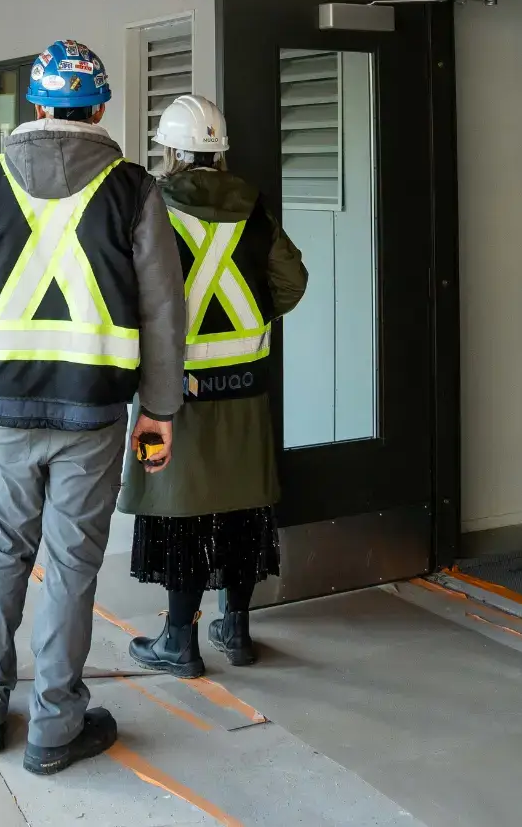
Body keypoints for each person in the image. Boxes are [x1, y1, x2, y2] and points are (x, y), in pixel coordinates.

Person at [0, 39, 186, 775]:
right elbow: (162, 309)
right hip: (93, 415)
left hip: (9, 409)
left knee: (2, 555)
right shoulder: (134, 188)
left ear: (38, 105)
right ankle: (56, 723)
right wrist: (161, 407)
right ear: (101, 107)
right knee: (72, 566)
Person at [122, 94, 307, 676]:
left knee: (178, 513)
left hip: (174, 397)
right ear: (220, 152)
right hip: (247, 391)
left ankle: (179, 641)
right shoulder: (254, 208)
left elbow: (134, 293)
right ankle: (239, 631)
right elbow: (292, 283)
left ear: (171, 151)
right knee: (241, 507)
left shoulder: (154, 206)